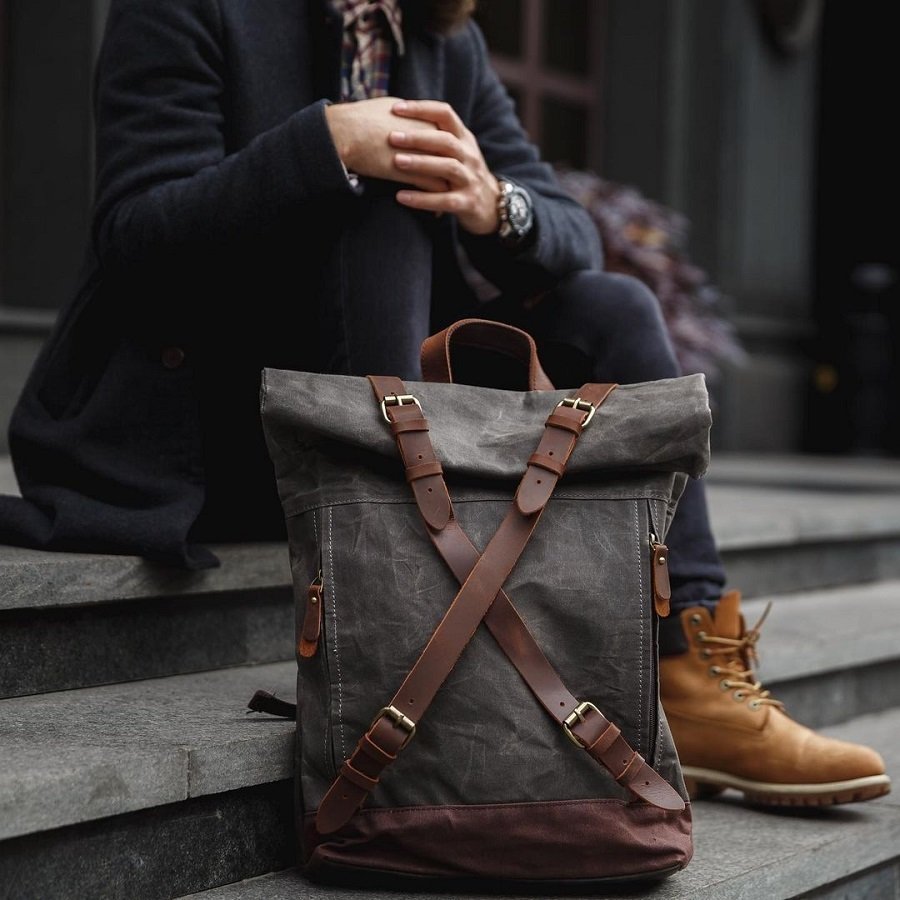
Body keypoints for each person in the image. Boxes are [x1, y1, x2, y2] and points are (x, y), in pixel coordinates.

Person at [0, 0, 888, 806]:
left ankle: (691, 671)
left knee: (613, 310)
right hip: (211, 434)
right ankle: (415, 662)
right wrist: (328, 147)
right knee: (382, 188)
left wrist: (493, 203)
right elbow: (136, 237)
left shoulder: (436, 35)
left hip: (383, 424)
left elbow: (568, 228)